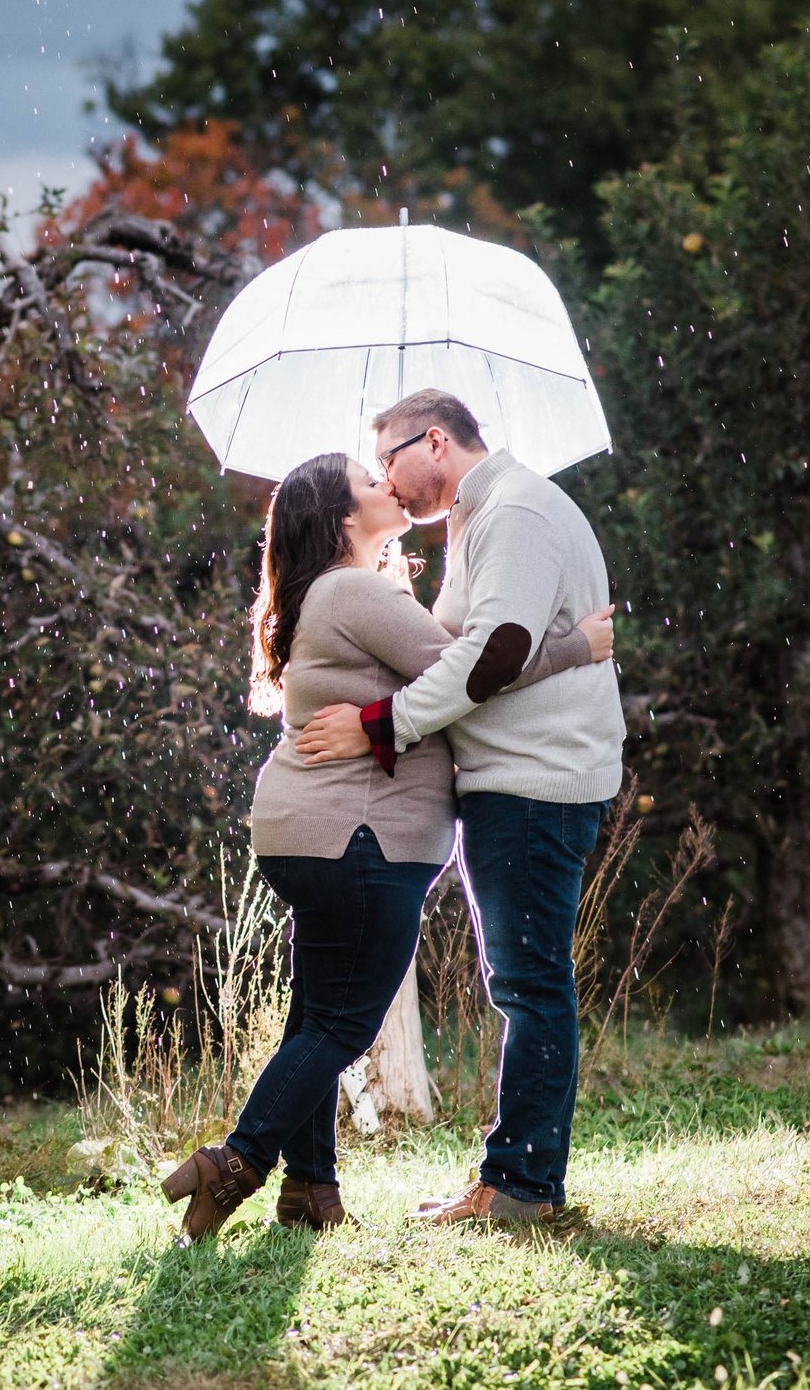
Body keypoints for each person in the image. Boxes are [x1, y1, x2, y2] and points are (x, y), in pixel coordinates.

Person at [161, 450, 612, 1242]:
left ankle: (311, 1190)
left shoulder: (337, 594)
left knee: (315, 1012)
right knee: (342, 1025)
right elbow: (477, 672)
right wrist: (577, 645)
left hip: (317, 832)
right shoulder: (354, 591)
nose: (388, 486)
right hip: (356, 838)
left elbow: (419, 665)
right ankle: (235, 1158)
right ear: (344, 519)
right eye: (371, 483)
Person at [294, 388, 625, 1225]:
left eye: (389, 461)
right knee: (523, 980)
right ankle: (513, 1178)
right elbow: (474, 650)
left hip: (533, 784)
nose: (385, 482)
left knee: (528, 984)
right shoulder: (477, 522)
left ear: (433, 441)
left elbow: (495, 653)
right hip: (510, 784)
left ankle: (521, 1187)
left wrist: (383, 724)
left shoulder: (513, 512)